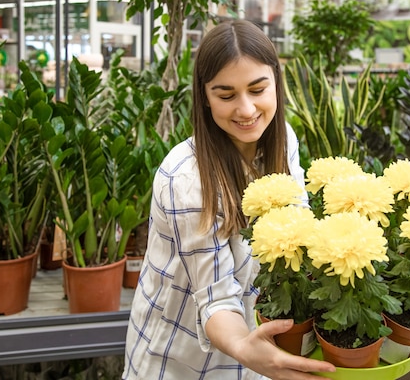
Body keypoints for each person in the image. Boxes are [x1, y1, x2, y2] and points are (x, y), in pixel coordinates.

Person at [122, 19, 336, 379]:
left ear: (276, 86)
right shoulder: (187, 178)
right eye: (226, 95)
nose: (247, 110)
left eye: (257, 89)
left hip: (256, 350)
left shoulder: (283, 139)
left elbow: (299, 228)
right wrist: (244, 347)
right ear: (205, 98)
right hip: (181, 361)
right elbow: (216, 297)